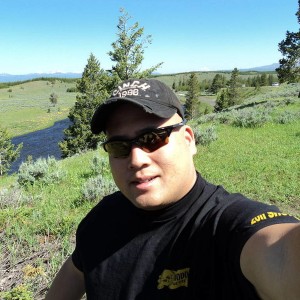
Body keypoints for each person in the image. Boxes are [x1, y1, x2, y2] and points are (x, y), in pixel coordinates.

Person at [45, 78, 300, 300]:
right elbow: (76, 269)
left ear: (188, 140)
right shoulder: (102, 218)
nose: (136, 159)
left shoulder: (227, 225)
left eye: (153, 138)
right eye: (119, 146)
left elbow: (281, 256)